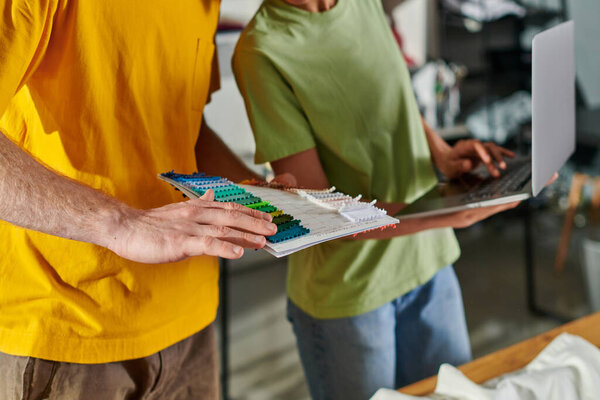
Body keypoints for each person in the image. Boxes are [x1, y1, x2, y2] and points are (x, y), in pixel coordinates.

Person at [232, 0, 523, 398]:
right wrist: (451, 215)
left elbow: (392, 94)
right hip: (352, 294)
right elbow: (322, 215)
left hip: (429, 263)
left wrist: (442, 152)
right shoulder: (261, 50)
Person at [0, 0, 279, 399]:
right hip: (67, 333)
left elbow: (183, 130)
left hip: (191, 326)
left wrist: (258, 195)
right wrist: (119, 222)